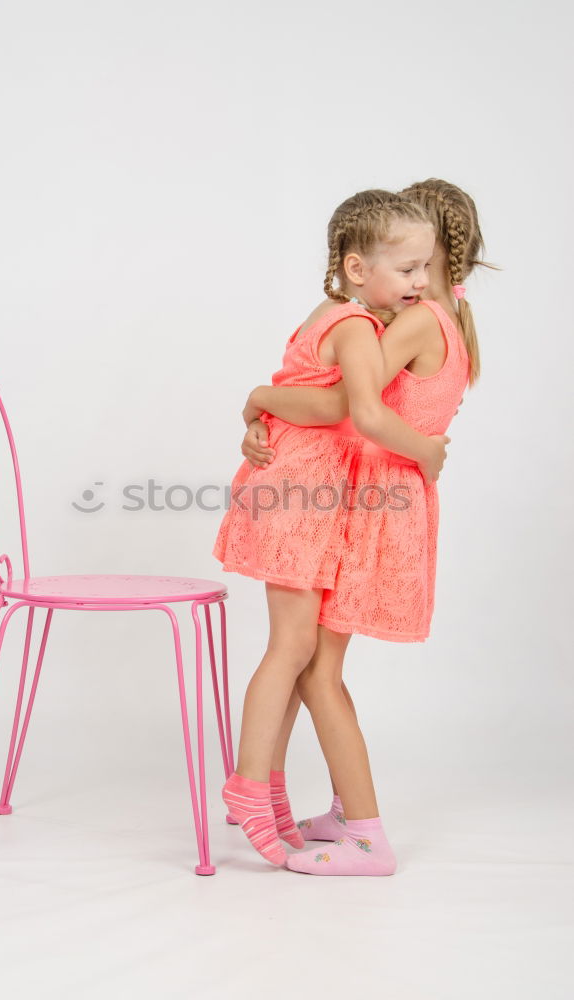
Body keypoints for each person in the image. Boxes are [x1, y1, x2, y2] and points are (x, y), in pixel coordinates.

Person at [238, 178, 485, 875]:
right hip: (370, 496)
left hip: (370, 498)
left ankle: (358, 829)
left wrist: (257, 396)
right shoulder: (445, 320)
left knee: (316, 669)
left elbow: (347, 408)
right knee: (314, 662)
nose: (407, 276)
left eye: (414, 262)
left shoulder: (411, 320)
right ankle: (333, 807)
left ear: (430, 253)